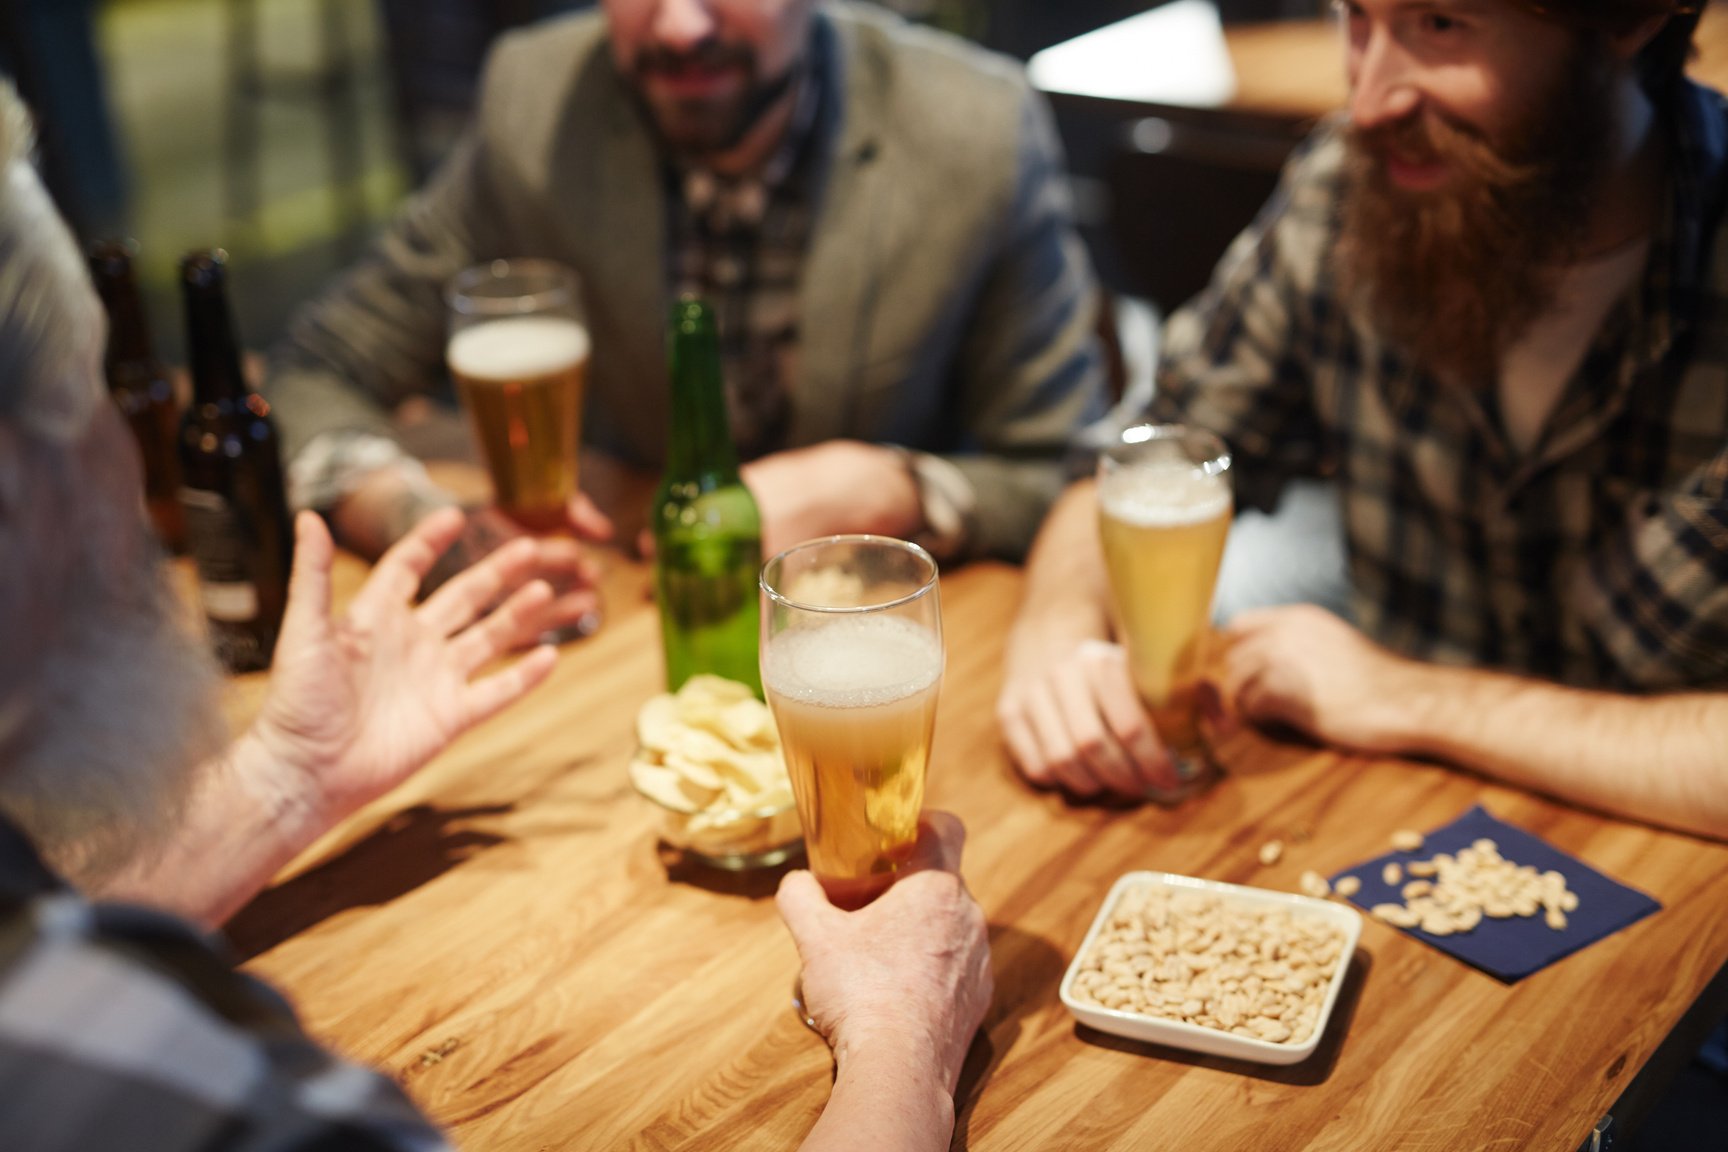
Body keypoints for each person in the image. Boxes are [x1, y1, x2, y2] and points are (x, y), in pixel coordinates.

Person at [0, 85, 991, 1148]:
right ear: (19, 485)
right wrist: (901, 1031)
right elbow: (326, 359)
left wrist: (284, 780)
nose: (124, 448)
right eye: (103, 401)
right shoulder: (213, 1091)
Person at [997, 0, 1728, 843]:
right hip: (1394, 840)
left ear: (1629, 21)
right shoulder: (1352, 187)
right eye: (1354, 20)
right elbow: (1150, 454)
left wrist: (1403, 696)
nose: (1370, 100)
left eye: (1440, 26)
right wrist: (1055, 637)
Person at [265, 0, 1105, 586]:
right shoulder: (537, 103)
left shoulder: (975, 131)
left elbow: (1069, 471)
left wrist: (896, 487)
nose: (678, 25)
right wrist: (413, 520)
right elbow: (319, 365)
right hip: (622, 635)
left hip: (882, 656)